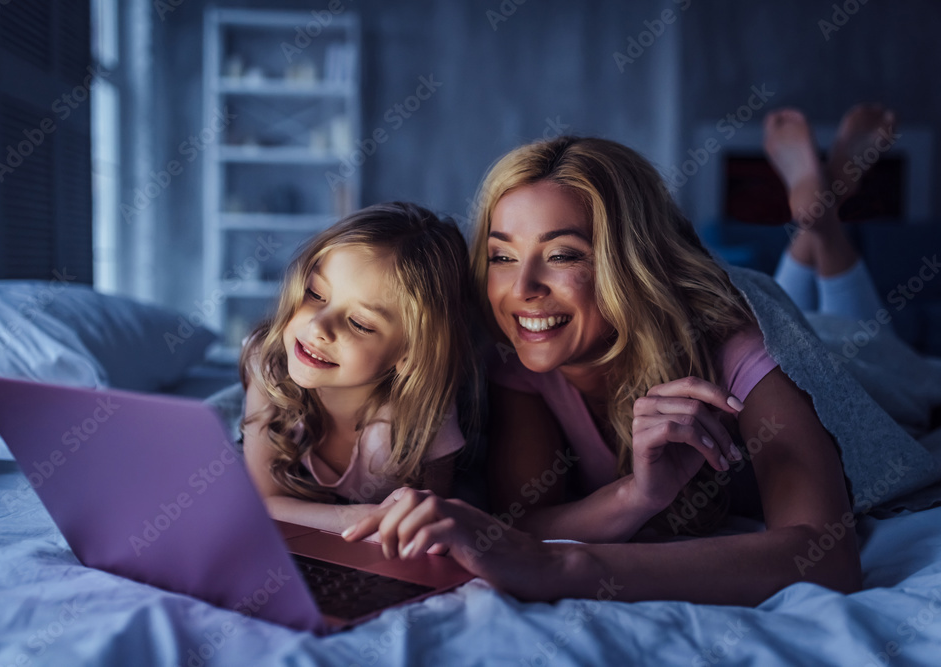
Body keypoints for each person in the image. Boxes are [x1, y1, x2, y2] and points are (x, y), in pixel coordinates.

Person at [342, 135, 864, 605]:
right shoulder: (522, 354)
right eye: (502, 257)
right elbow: (524, 517)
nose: (522, 288)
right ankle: (813, 224)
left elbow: (826, 557)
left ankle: (822, 224)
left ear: (630, 262)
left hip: (859, 360)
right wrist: (637, 496)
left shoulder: (737, 349)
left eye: (563, 255)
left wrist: (565, 566)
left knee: (856, 333)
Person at [240, 202, 476, 535]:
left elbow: (426, 526)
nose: (320, 326)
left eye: (360, 323)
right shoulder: (269, 366)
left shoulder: (426, 412)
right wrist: (359, 519)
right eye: (314, 293)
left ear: (410, 354)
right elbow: (262, 503)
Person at [766, 104, 897, 326]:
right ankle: (829, 198)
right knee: (773, 333)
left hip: (782, 354)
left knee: (775, 333)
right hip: (852, 356)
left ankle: (825, 202)